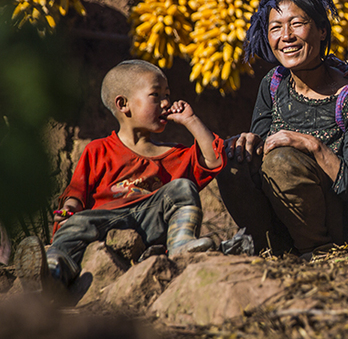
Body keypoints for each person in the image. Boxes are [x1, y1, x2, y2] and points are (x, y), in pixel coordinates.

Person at [15, 59, 225, 290]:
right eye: (156, 95)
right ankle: (52, 275)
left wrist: (191, 121)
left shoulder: (174, 154)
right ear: (123, 104)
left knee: (183, 188)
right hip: (105, 222)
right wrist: (69, 210)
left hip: (150, 223)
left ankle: (181, 245)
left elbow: (213, 159)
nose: (167, 102)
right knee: (76, 225)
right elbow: (76, 192)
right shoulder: (98, 150)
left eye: (168, 94)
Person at [220, 0, 348, 257]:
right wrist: (246, 144)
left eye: (297, 24)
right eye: (276, 28)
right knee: (232, 159)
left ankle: (317, 251)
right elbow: (261, 148)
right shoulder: (273, 84)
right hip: (280, 220)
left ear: (321, 31)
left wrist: (312, 146)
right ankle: (269, 248)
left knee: (283, 160)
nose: (286, 36)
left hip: (333, 225)